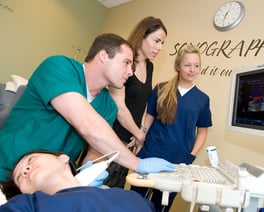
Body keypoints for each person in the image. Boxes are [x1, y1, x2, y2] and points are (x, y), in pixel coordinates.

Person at [0, 33, 175, 182]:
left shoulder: (108, 105)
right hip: (8, 169)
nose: (130, 72)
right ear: (104, 55)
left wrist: (87, 172)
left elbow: (95, 150)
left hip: (49, 182)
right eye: (126, 62)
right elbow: (87, 125)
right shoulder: (58, 67)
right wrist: (138, 163)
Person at [131, 45, 213, 212]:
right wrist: (140, 141)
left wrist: (192, 155)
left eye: (196, 66)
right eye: (187, 65)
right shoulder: (161, 89)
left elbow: (202, 131)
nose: (192, 70)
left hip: (178, 160)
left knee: (161, 207)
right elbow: (149, 117)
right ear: (178, 66)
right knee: (135, 203)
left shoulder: (202, 99)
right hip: (151, 153)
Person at [104, 16, 168, 188]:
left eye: (162, 43)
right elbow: (119, 104)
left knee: (114, 190)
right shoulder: (126, 63)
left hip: (130, 139)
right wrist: (139, 134)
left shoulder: (149, 66)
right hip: (112, 136)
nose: (160, 47)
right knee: (98, 189)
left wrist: (141, 130)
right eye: (156, 41)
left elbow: (144, 101)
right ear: (142, 36)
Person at [0, 150, 155, 212]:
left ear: (63, 158)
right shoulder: (27, 205)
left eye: (31, 160)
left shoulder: (130, 197)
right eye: (20, 177)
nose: (25, 170)